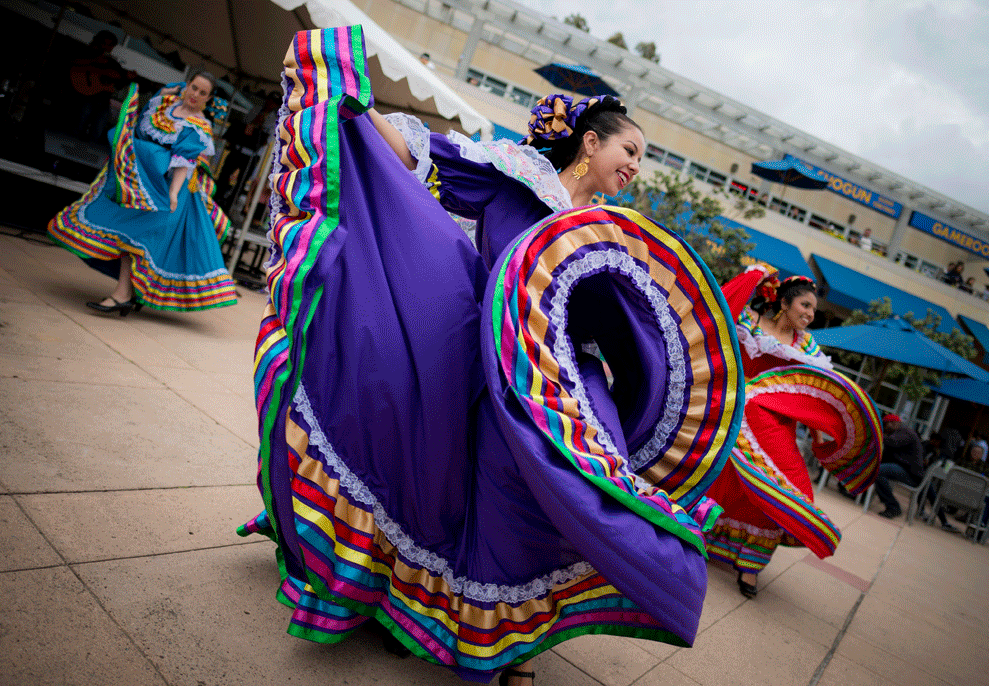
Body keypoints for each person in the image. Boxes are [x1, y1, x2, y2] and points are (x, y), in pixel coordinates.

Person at [240, 28, 745, 685]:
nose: (634, 167)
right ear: (589, 141)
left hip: (564, 386)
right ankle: (415, 605)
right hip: (480, 360)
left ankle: (516, 644)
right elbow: (425, 156)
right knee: (435, 485)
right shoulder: (516, 177)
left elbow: (635, 331)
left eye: (640, 158)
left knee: (543, 500)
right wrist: (354, 110)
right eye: (630, 149)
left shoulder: (610, 236)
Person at [703, 268, 882, 598]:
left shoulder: (809, 348)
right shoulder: (749, 322)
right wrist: (754, 275)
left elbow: (812, 394)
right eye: (805, 305)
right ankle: (704, 541)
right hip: (732, 414)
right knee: (725, 483)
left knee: (792, 487)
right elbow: (716, 307)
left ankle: (752, 565)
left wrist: (828, 432)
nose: (810, 314)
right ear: (784, 303)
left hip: (774, 427)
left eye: (814, 310)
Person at [48, 71, 237, 314]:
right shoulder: (165, 104)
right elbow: (140, 130)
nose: (195, 94)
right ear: (187, 85)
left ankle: (123, 295)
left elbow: (183, 165)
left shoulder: (199, 126)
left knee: (137, 238)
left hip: (168, 191)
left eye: (202, 93)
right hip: (142, 182)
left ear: (208, 99)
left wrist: (172, 195)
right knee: (130, 235)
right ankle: (128, 293)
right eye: (193, 87)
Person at [67, 30, 132, 143]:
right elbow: (72, 62)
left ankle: (86, 152)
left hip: (103, 100)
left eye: (111, 45)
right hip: (84, 96)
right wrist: (95, 63)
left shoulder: (112, 62)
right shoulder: (84, 53)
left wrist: (127, 78)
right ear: (99, 41)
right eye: (107, 44)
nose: (109, 47)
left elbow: (119, 83)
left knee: (97, 129)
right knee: (78, 125)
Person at [873, 414, 924, 519]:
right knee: (876, 469)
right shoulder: (897, 433)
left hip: (911, 474)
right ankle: (863, 496)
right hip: (905, 470)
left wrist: (878, 435)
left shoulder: (905, 432)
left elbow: (893, 442)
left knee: (878, 471)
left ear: (894, 423)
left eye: (885, 425)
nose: (884, 428)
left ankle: (893, 507)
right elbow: (886, 456)